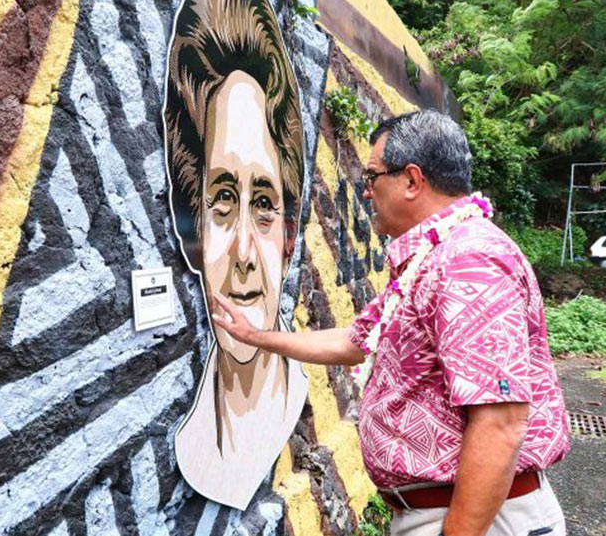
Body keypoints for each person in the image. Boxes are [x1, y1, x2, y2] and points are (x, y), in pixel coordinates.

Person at [212, 110, 570, 535]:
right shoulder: (435, 258)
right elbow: (355, 340)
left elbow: (500, 422)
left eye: (372, 177)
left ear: (412, 181)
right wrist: (257, 336)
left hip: (477, 518)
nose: (365, 192)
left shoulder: (467, 262)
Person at [163, 0, 308, 509]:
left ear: (290, 233)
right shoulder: (193, 443)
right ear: (191, 226)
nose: (245, 254)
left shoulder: (297, 394)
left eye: (265, 204)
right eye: (223, 200)